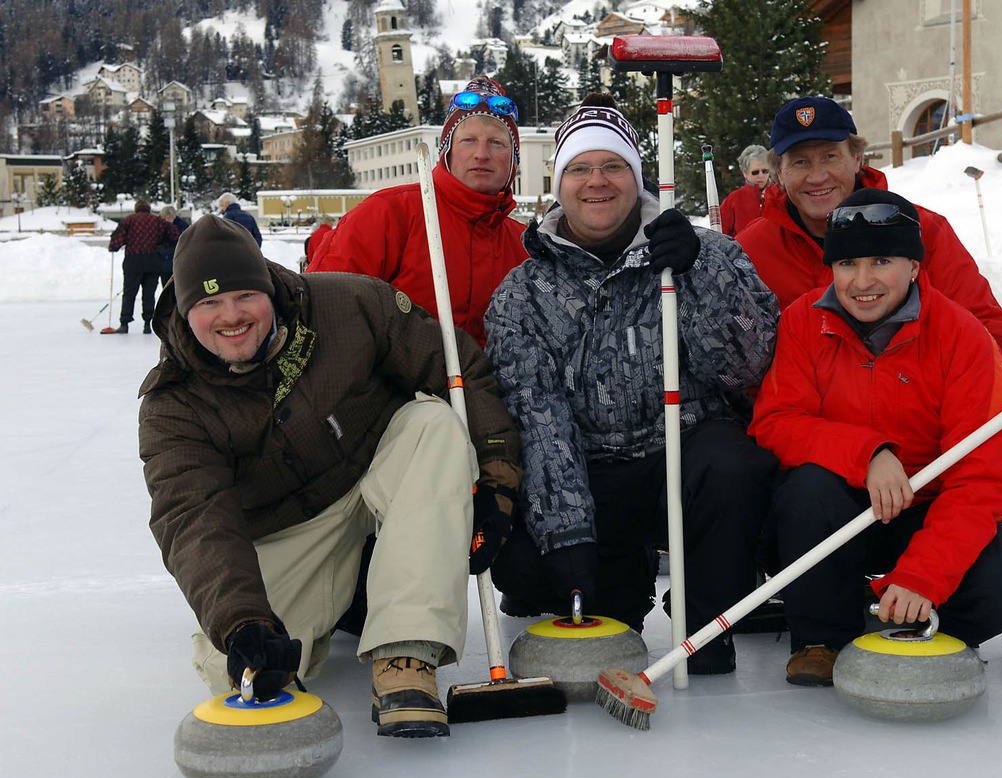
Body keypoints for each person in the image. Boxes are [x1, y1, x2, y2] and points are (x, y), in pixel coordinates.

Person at [138, 214, 522, 739]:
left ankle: (405, 653)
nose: (231, 316)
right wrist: (241, 620)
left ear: (270, 289)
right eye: (208, 303)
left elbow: (458, 371)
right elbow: (193, 518)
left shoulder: (351, 304)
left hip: (387, 474)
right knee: (228, 664)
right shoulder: (173, 404)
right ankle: (345, 604)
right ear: (185, 312)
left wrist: (498, 479)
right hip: (293, 526)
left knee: (434, 421)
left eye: (244, 295)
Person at [483, 94, 780, 675]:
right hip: (592, 473)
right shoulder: (520, 296)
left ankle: (707, 619)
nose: (597, 182)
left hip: (684, 457)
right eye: (579, 168)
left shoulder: (704, 253)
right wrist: (568, 532)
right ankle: (618, 577)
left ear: (637, 177)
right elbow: (539, 417)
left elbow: (752, 366)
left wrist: (702, 275)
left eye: (613, 166)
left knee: (734, 466)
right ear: (558, 183)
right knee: (525, 563)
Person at [747, 189, 1002, 687]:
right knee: (806, 491)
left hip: (928, 507)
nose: (862, 282)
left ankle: (912, 622)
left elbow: (986, 475)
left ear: (913, 265)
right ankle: (821, 637)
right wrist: (867, 453)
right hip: (839, 513)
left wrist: (925, 572)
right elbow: (775, 420)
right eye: (846, 263)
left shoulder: (963, 335)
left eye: (882, 260)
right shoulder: (803, 320)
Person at [736, 97, 1002, 363]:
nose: (817, 176)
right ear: (778, 172)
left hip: (915, 406)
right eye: (800, 162)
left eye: (830, 157)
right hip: (807, 409)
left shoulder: (922, 230)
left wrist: (900, 386)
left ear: (857, 159)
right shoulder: (751, 252)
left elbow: (990, 334)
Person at [308, 76, 527, 346]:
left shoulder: (525, 247)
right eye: (468, 140)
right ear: (446, 152)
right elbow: (321, 313)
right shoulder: (389, 215)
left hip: (490, 388)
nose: (481, 154)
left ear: (514, 161)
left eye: (497, 143)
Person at [107, 199, 179, 334]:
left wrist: (113, 247)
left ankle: (125, 323)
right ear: (149, 209)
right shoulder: (157, 221)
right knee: (149, 295)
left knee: (129, 293)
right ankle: (147, 323)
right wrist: (163, 245)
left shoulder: (129, 220)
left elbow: (117, 238)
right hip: (152, 261)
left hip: (133, 262)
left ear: (136, 209)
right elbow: (174, 234)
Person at [719, 144, 770, 237]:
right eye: (755, 172)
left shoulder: (780, 196)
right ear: (745, 173)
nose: (761, 175)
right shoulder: (733, 200)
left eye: (765, 171)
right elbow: (721, 235)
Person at [157, 205, 188, 289]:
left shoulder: (182, 225)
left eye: (168, 217)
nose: (166, 220)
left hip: (177, 261)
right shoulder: (160, 225)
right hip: (165, 263)